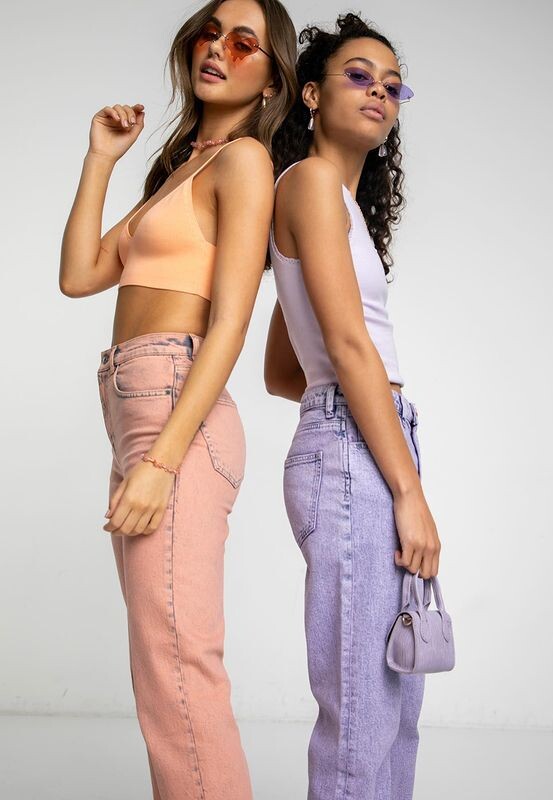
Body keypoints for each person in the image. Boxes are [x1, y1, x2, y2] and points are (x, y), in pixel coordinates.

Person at [59, 1, 297, 797]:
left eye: (244, 43)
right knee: (162, 665)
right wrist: (102, 158)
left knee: (178, 665)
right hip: (138, 406)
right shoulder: (187, 167)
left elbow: (230, 323)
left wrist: (163, 460)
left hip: (175, 414)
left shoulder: (245, 162)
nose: (217, 49)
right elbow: (80, 275)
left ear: (272, 80)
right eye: (210, 32)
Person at [264, 12, 441, 800]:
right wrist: (408, 490)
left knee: (395, 701)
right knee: (363, 714)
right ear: (310, 94)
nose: (379, 93)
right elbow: (345, 344)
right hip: (357, 449)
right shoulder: (306, 182)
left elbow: (284, 367)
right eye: (359, 76)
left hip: (364, 437)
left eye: (393, 86)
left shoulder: (335, 205)